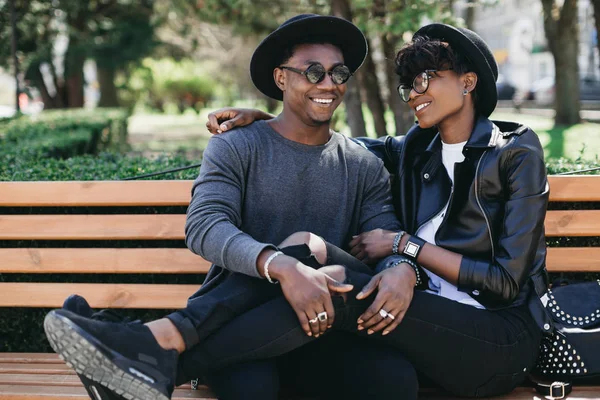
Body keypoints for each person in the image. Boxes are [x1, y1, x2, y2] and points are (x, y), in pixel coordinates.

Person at [43, 14, 418, 400]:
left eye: (338, 73)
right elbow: (205, 225)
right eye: (313, 72)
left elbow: (382, 237)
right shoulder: (236, 145)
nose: (328, 84)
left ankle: (142, 350)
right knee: (252, 389)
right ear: (281, 78)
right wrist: (280, 266)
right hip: (238, 326)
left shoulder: (362, 166)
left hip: (320, 327)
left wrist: (401, 268)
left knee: (395, 381)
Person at [196, 22, 551, 398]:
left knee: (335, 286)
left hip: (498, 333)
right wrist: (273, 118)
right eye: (409, 84)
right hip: (426, 326)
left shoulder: (515, 152)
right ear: (283, 78)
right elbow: (322, 139)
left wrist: (405, 249)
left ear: (467, 82)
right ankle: (171, 350)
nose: (414, 94)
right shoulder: (415, 150)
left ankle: (171, 354)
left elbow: (505, 283)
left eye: (425, 79)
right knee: (318, 268)